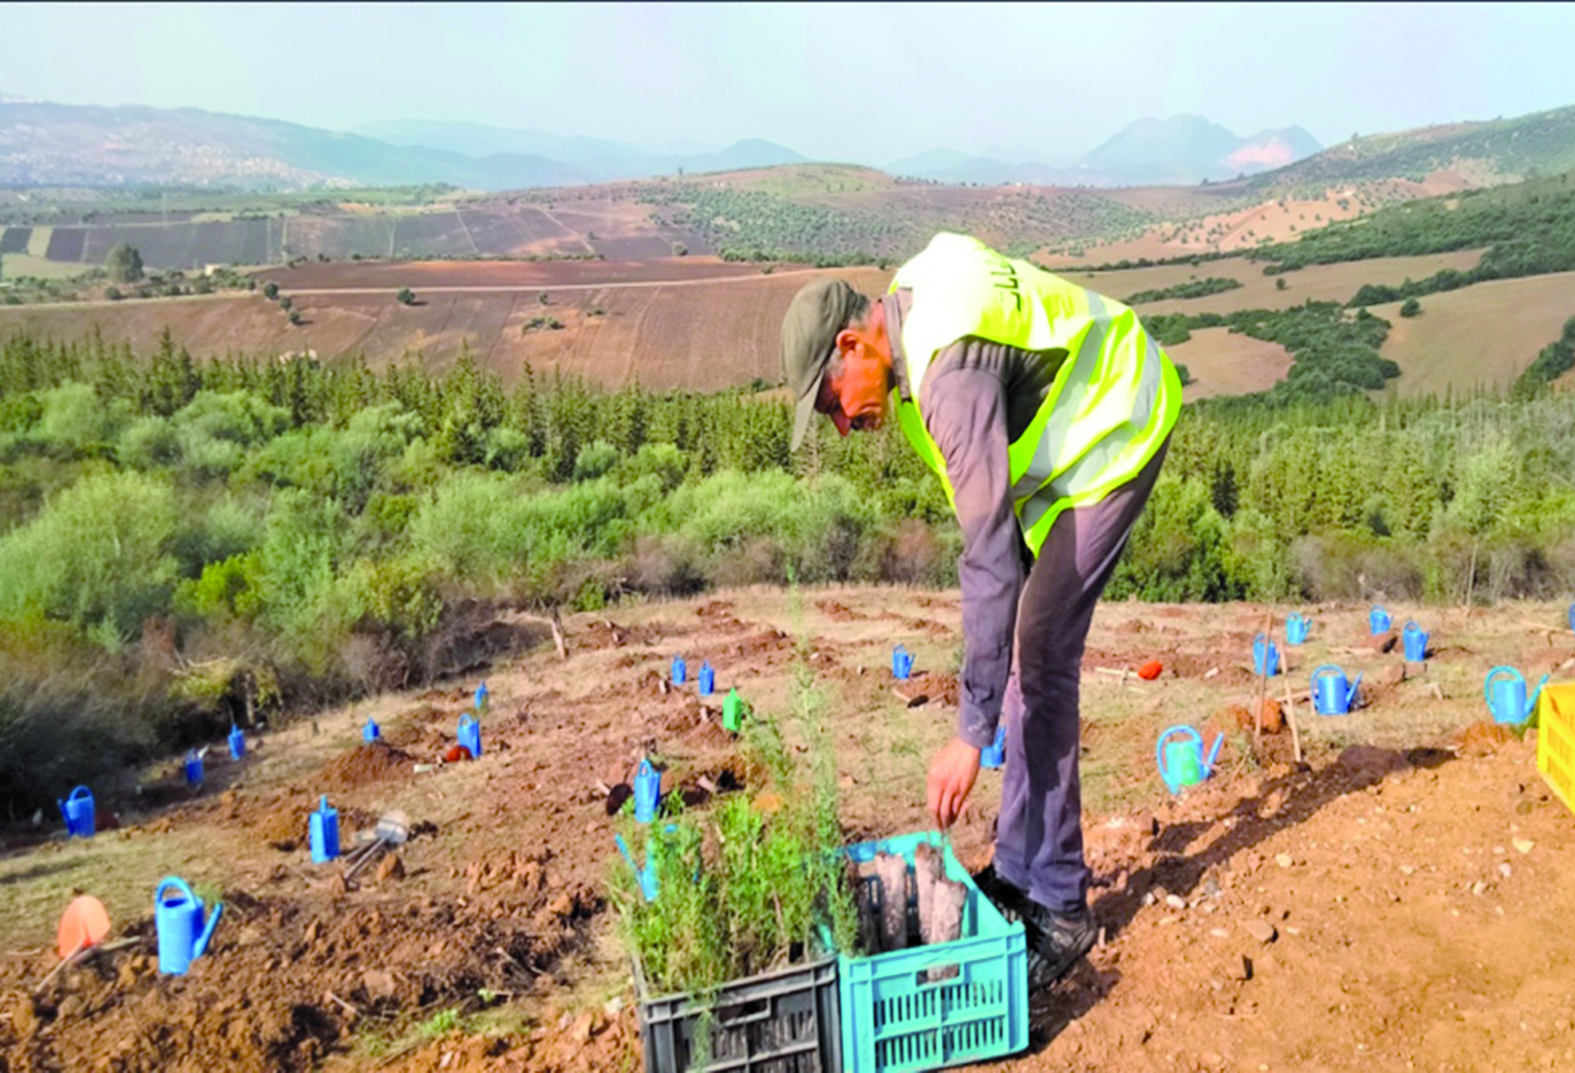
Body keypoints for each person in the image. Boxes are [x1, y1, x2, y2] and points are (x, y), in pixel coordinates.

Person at [781, 232, 1181, 986]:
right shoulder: (906, 324)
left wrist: (970, 732)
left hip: (1115, 427)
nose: (840, 424)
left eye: (832, 401)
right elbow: (986, 531)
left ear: (852, 344)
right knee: (1029, 652)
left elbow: (990, 556)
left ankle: (1060, 902)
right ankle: (1019, 870)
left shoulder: (944, 374)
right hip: (1059, 462)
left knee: (1045, 656)